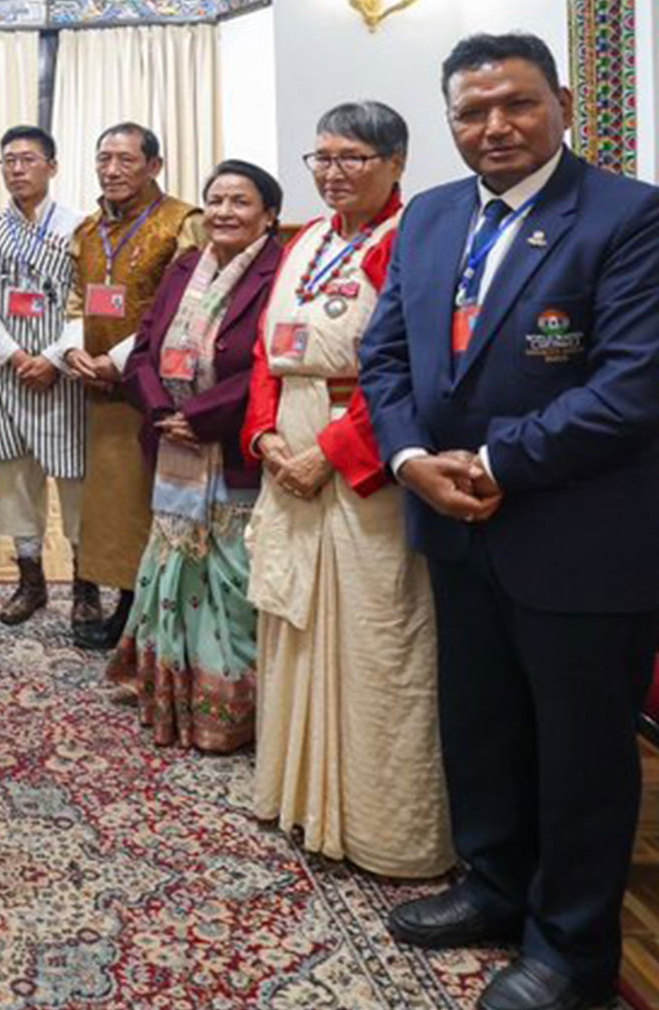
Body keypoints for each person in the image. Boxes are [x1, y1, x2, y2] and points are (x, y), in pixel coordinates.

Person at [361, 33, 659, 1010]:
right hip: (452, 524)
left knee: (581, 753)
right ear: (449, 123)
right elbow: (386, 361)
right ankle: (494, 886)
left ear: (559, 102)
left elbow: (637, 388)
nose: (494, 127)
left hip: (583, 536)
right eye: (471, 112)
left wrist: (499, 460)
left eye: (515, 104)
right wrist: (408, 459)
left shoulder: (633, 218)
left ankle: (572, 948)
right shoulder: (428, 219)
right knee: (480, 727)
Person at [243, 102, 452, 878]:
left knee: (373, 637)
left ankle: (382, 828)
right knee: (296, 625)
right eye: (322, 157)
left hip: (364, 462)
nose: (333, 172)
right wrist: (264, 435)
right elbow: (270, 355)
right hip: (287, 449)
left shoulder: (411, 242)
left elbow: (408, 368)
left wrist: (328, 454)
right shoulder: (304, 240)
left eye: (353, 157)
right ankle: (298, 797)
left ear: (396, 162)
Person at [106, 160, 281, 752]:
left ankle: (229, 711)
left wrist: (202, 416)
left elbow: (269, 361)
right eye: (216, 201)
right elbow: (145, 347)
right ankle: (169, 692)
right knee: (173, 576)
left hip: (232, 449)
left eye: (240, 201)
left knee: (231, 580)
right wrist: (161, 411)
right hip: (174, 448)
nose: (225, 212)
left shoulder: (280, 273)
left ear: (269, 215)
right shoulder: (185, 267)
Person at [59, 123, 203, 649]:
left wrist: (118, 360)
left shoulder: (183, 223)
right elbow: (79, 299)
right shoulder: (91, 228)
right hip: (98, 386)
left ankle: (154, 613)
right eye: (104, 159)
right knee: (115, 505)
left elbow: (184, 305)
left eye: (126, 160)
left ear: (154, 166)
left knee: (155, 501)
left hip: (157, 388)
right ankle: (129, 605)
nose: (112, 170)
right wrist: (74, 348)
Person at [0, 125, 86, 624]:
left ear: (52, 167)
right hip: (9, 375)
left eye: (28, 159)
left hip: (63, 377)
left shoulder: (82, 229)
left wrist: (52, 358)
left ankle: (85, 585)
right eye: (8, 160)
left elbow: (89, 304)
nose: (17, 169)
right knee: (13, 484)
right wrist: (14, 354)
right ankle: (30, 582)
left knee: (76, 483)